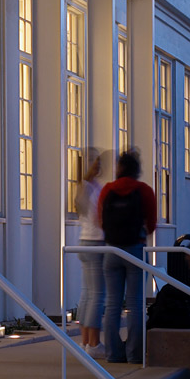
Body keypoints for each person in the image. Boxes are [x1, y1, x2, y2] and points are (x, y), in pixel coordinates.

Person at [98, 148, 157, 364]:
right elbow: (151, 225)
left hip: (111, 251)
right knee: (135, 304)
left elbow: (100, 221)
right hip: (135, 250)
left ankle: (113, 353)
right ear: (137, 169)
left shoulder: (107, 190)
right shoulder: (144, 191)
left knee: (113, 304)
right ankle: (134, 354)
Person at [74, 150, 111, 354]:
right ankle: (93, 343)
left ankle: (86, 341)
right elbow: (99, 217)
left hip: (84, 241)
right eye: (95, 162)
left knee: (88, 292)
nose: (98, 166)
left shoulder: (84, 187)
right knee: (98, 294)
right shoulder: (92, 188)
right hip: (96, 241)